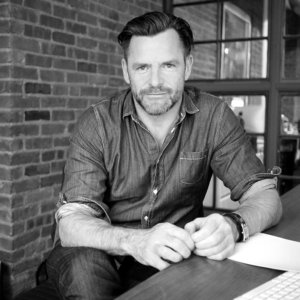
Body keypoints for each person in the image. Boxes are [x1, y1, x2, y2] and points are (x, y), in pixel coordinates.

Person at [46, 11, 282, 300]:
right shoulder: (96, 124)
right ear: (125, 70)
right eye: (142, 67)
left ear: (187, 66)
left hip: (171, 251)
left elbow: (265, 195)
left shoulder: (215, 117)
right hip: (95, 249)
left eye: (168, 65)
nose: (155, 81)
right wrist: (137, 241)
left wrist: (234, 225)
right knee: (85, 273)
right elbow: (71, 224)